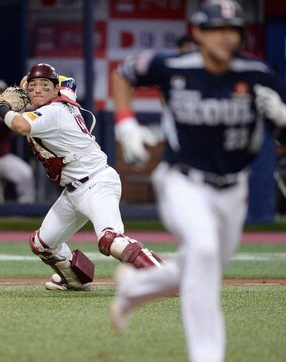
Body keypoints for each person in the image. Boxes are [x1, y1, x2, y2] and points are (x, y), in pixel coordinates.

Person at [109, 1, 286, 361]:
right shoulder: (171, 65)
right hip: (181, 181)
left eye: (233, 30)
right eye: (217, 29)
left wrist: (283, 119)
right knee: (203, 250)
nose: (226, 36)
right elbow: (123, 75)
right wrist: (126, 125)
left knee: (203, 264)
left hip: (233, 188)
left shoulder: (258, 74)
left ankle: (134, 289)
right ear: (198, 32)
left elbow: (280, 137)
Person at [0, 63, 164, 291]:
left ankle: (168, 278)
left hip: (97, 182)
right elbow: (69, 82)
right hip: (73, 191)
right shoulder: (64, 94)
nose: (38, 90)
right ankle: (75, 279)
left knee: (111, 241)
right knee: (42, 244)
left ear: (55, 91)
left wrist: (3, 107)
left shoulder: (53, 111)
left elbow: (21, 125)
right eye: (33, 86)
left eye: (45, 86)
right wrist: (30, 82)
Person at [0, 80, 35, 204]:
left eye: (0, 94)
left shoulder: (9, 108)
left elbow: (31, 107)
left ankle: (26, 207)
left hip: (3, 159)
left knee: (25, 173)